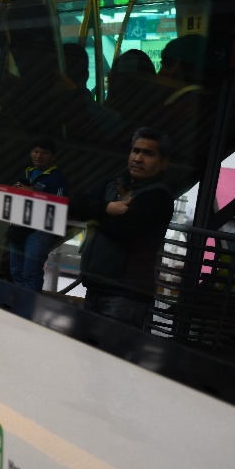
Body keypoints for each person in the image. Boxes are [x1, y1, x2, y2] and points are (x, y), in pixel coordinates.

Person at [76, 127, 175, 329]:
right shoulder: (114, 183)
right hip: (95, 287)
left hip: (127, 296)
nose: (138, 158)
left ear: (163, 163)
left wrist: (94, 213)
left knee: (113, 348)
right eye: (135, 151)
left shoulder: (159, 196)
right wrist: (107, 208)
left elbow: (122, 229)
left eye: (148, 153)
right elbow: (76, 204)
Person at [6, 139, 69, 293]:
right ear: (30, 153)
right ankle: (18, 302)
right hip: (19, 227)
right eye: (36, 151)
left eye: (44, 153)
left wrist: (32, 193)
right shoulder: (27, 172)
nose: (39, 156)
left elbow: (59, 206)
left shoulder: (56, 178)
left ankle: (27, 305)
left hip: (39, 231)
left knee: (31, 272)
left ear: (53, 156)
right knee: (16, 271)